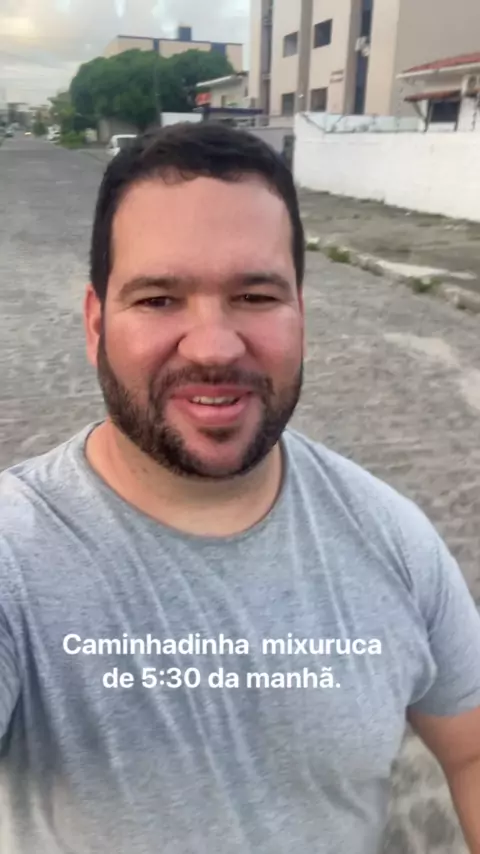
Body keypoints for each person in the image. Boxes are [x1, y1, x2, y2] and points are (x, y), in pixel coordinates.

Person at [0, 122, 479, 854]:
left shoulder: (393, 537)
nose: (215, 346)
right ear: (96, 325)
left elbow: (471, 752)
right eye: (159, 299)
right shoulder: (15, 555)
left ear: (301, 316)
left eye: (254, 296)